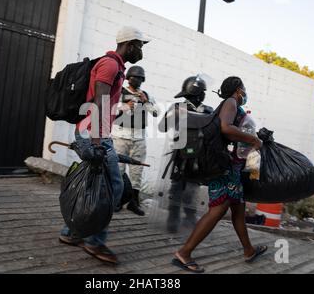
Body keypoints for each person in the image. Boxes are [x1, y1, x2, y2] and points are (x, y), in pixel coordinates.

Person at [59, 27, 150, 265]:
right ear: (129, 44)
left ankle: (72, 232)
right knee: (113, 187)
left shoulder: (116, 66)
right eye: (140, 46)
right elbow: (99, 101)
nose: (141, 51)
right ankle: (95, 242)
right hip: (95, 133)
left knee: (93, 183)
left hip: (93, 132)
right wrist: (99, 142)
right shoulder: (110, 65)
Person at [172, 76, 267, 273]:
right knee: (218, 209)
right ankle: (185, 252)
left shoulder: (229, 103)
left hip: (232, 166)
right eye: (243, 89)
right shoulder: (231, 102)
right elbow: (226, 128)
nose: (244, 93)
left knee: (238, 210)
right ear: (238, 90)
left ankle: (248, 250)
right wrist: (253, 139)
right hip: (226, 167)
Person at [158, 76, 213, 233]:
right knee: (176, 189)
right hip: (180, 155)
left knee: (192, 190)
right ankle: (172, 220)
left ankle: (190, 220)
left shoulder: (208, 111)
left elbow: (214, 132)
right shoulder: (178, 107)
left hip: (198, 156)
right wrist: (174, 114)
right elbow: (162, 127)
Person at [113, 66, 159, 216]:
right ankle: (117, 200)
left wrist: (145, 102)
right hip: (121, 137)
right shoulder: (120, 92)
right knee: (118, 170)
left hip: (139, 138)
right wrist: (126, 106)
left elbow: (156, 112)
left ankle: (134, 202)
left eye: (140, 78)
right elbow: (111, 110)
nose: (137, 80)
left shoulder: (145, 95)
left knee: (136, 172)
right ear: (128, 78)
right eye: (135, 77)